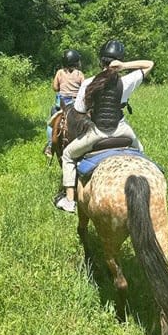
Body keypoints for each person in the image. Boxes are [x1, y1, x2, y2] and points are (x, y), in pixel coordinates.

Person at [55, 39, 154, 213]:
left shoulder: (89, 83)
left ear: (101, 61)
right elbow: (149, 64)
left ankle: (70, 200)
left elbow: (79, 109)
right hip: (123, 130)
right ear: (119, 59)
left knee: (68, 155)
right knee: (140, 152)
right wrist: (124, 66)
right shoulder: (127, 80)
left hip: (97, 132)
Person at [44, 49, 85, 157]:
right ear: (77, 62)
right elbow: (84, 88)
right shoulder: (80, 74)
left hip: (62, 104)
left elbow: (55, 87)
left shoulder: (60, 73)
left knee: (51, 122)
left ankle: (49, 145)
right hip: (76, 104)